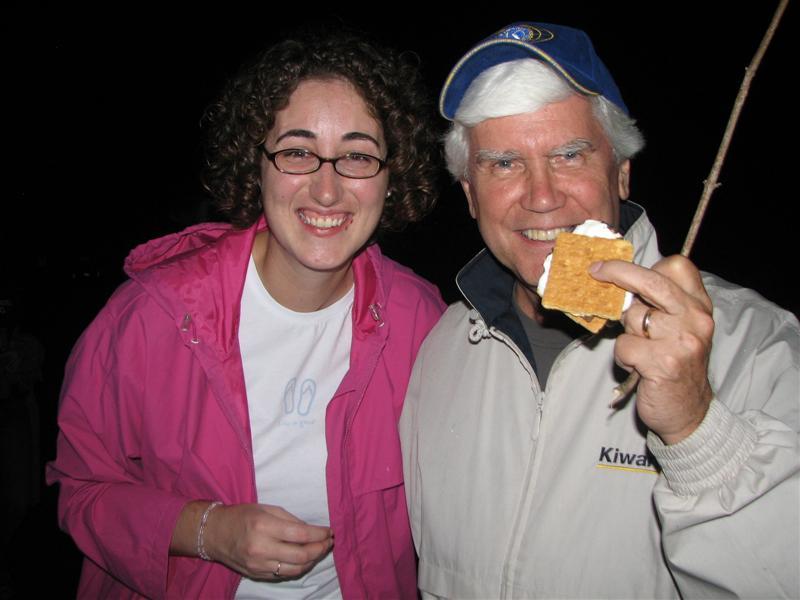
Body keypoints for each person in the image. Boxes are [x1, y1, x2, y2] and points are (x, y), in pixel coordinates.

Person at [400, 21, 799, 598]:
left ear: (622, 169)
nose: (541, 195)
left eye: (568, 154)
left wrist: (698, 432)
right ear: (469, 193)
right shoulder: (440, 351)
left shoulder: (758, 345)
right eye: (504, 163)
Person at [46, 30, 445, 599]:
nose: (327, 190)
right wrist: (207, 530)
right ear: (255, 165)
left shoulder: (422, 319)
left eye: (358, 154)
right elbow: (80, 490)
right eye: (298, 152)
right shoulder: (151, 317)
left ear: (390, 175)